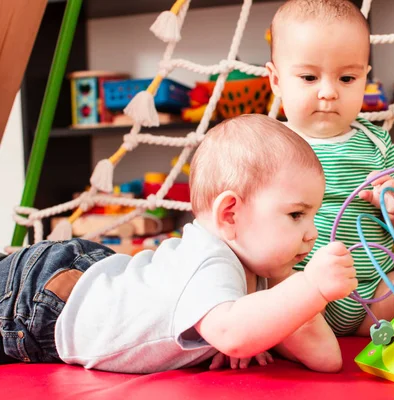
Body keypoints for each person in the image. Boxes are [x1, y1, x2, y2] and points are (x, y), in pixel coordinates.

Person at [0, 114, 357, 373]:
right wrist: (310, 287)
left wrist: (298, 300)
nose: (312, 232)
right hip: (44, 301)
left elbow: (326, 360)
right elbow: (234, 333)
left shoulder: (262, 269)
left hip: (92, 273)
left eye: (313, 216)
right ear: (230, 215)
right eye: (297, 215)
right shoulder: (211, 260)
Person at [266, 0, 394, 337]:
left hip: (379, 289)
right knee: (264, 296)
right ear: (277, 80)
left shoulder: (377, 141)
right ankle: (298, 342)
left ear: (365, 78)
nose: (329, 92)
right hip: (305, 292)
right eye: (309, 77)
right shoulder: (271, 146)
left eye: (347, 77)